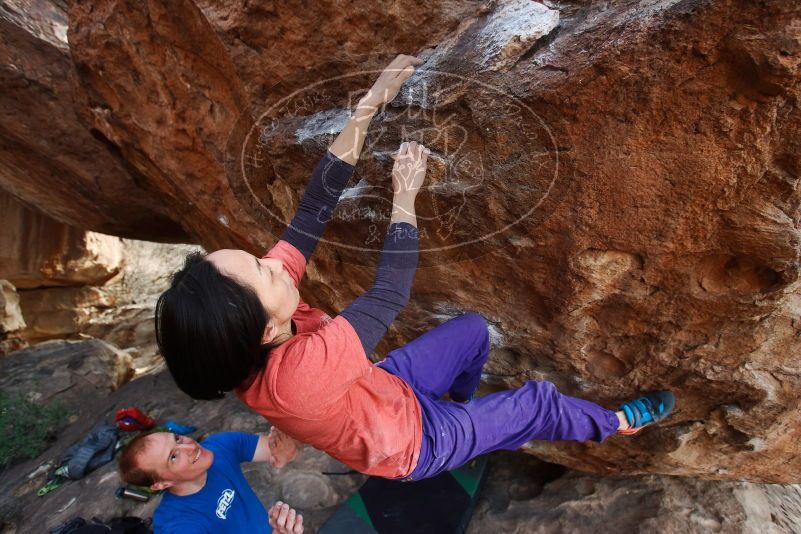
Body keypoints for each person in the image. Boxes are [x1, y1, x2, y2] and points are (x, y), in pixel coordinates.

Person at [155, 54, 676, 483]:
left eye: (258, 259)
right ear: (265, 329)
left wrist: (367, 107)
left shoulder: (248, 334)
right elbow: (388, 294)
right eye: (264, 272)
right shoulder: (296, 379)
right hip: (412, 445)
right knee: (537, 403)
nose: (276, 262)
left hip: (384, 390)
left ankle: (467, 419)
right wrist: (406, 194)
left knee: (473, 332)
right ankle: (613, 423)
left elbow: (312, 211)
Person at [118, 427, 304, 533]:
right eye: (173, 457)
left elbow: (280, 452)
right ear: (161, 484)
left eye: (177, 439)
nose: (189, 446)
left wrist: (288, 448)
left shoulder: (220, 446)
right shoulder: (179, 524)